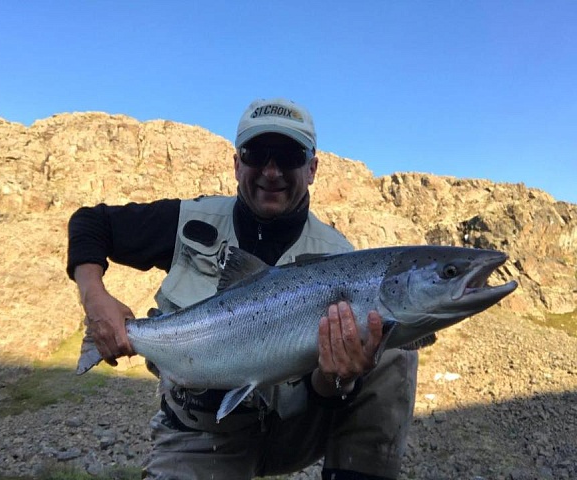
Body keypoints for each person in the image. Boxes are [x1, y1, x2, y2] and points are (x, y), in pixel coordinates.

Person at [66, 98, 418, 480]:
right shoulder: (187, 221)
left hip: (299, 426)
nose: (271, 171)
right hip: (203, 433)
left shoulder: (340, 258)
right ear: (237, 164)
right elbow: (90, 224)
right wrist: (95, 299)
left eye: (289, 156)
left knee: (393, 340)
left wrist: (340, 378)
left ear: (312, 169)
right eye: (256, 154)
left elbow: (326, 391)